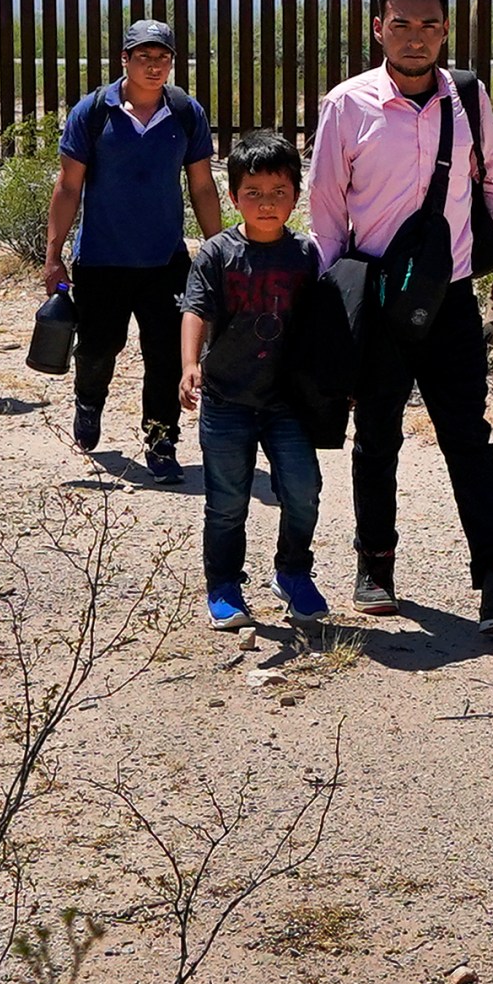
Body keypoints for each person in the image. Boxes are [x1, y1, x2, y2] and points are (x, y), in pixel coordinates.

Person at [307, 0, 493, 628]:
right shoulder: (346, 105)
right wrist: (338, 311)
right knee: (377, 432)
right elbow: (326, 212)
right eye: (401, 24)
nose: (415, 37)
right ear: (378, 28)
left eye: (429, 25)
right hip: (379, 301)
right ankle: (374, 563)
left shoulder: (467, 99)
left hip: (448, 299)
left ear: (446, 31)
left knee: (468, 434)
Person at [44, 19, 225, 483]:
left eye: (162, 57)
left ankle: (161, 439)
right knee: (100, 346)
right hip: (102, 260)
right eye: (143, 57)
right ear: (124, 60)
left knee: (165, 354)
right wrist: (53, 254)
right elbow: (68, 187)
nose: (154, 66)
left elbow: (202, 186)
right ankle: (89, 400)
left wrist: (219, 248)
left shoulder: (185, 112)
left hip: (165, 261)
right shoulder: (94, 113)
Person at [178, 131, 327, 627]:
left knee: (303, 491)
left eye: (278, 193)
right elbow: (195, 309)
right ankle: (223, 584)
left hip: (287, 401)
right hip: (226, 398)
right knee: (226, 502)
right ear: (234, 196)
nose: (266, 204)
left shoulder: (306, 255)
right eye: (253, 194)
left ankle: (293, 573)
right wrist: (190, 364)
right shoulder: (217, 253)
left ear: (295, 196)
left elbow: (325, 322)